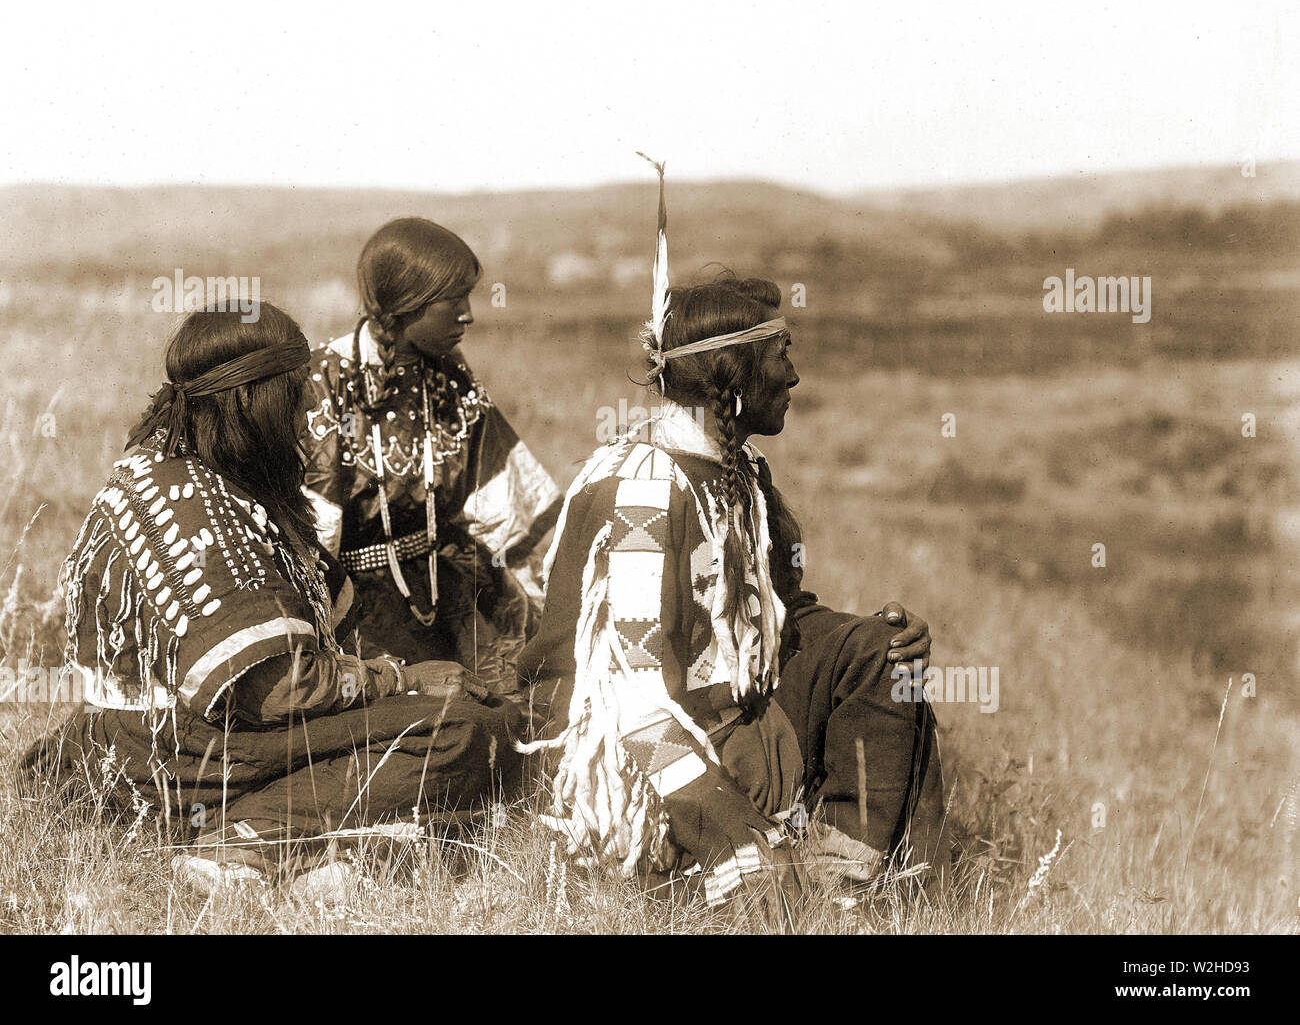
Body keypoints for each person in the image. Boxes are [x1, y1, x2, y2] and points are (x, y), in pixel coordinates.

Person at [23, 304, 522, 894]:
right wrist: (403, 683)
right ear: (250, 402)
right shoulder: (196, 508)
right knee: (460, 734)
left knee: (478, 717)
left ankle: (326, 840)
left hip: (141, 747)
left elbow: (342, 614)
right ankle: (246, 842)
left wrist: (435, 664)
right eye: (294, 398)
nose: (308, 416)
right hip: (177, 758)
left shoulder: (205, 474)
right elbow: (279, 692)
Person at [517, 273, 947, 919]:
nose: (795, 378)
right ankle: (761, 882)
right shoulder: (645, 492)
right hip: (650, 760)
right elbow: (630, 700)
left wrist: (879, 640)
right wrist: (727, 832)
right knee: (754, 879)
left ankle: (844, 890)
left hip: (736, 715)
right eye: (783, 355)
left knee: (886, 659)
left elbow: (774, 615)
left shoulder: (739, 472)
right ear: (732, 375)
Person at [303, 218, 561, 696]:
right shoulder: (324, 382)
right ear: (407, 303)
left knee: (511, 706)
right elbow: (314, 534)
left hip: (451, 592)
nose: (468, 315)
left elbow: (500, 496)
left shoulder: (449, 374)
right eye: (454, 299)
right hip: (356, 607)